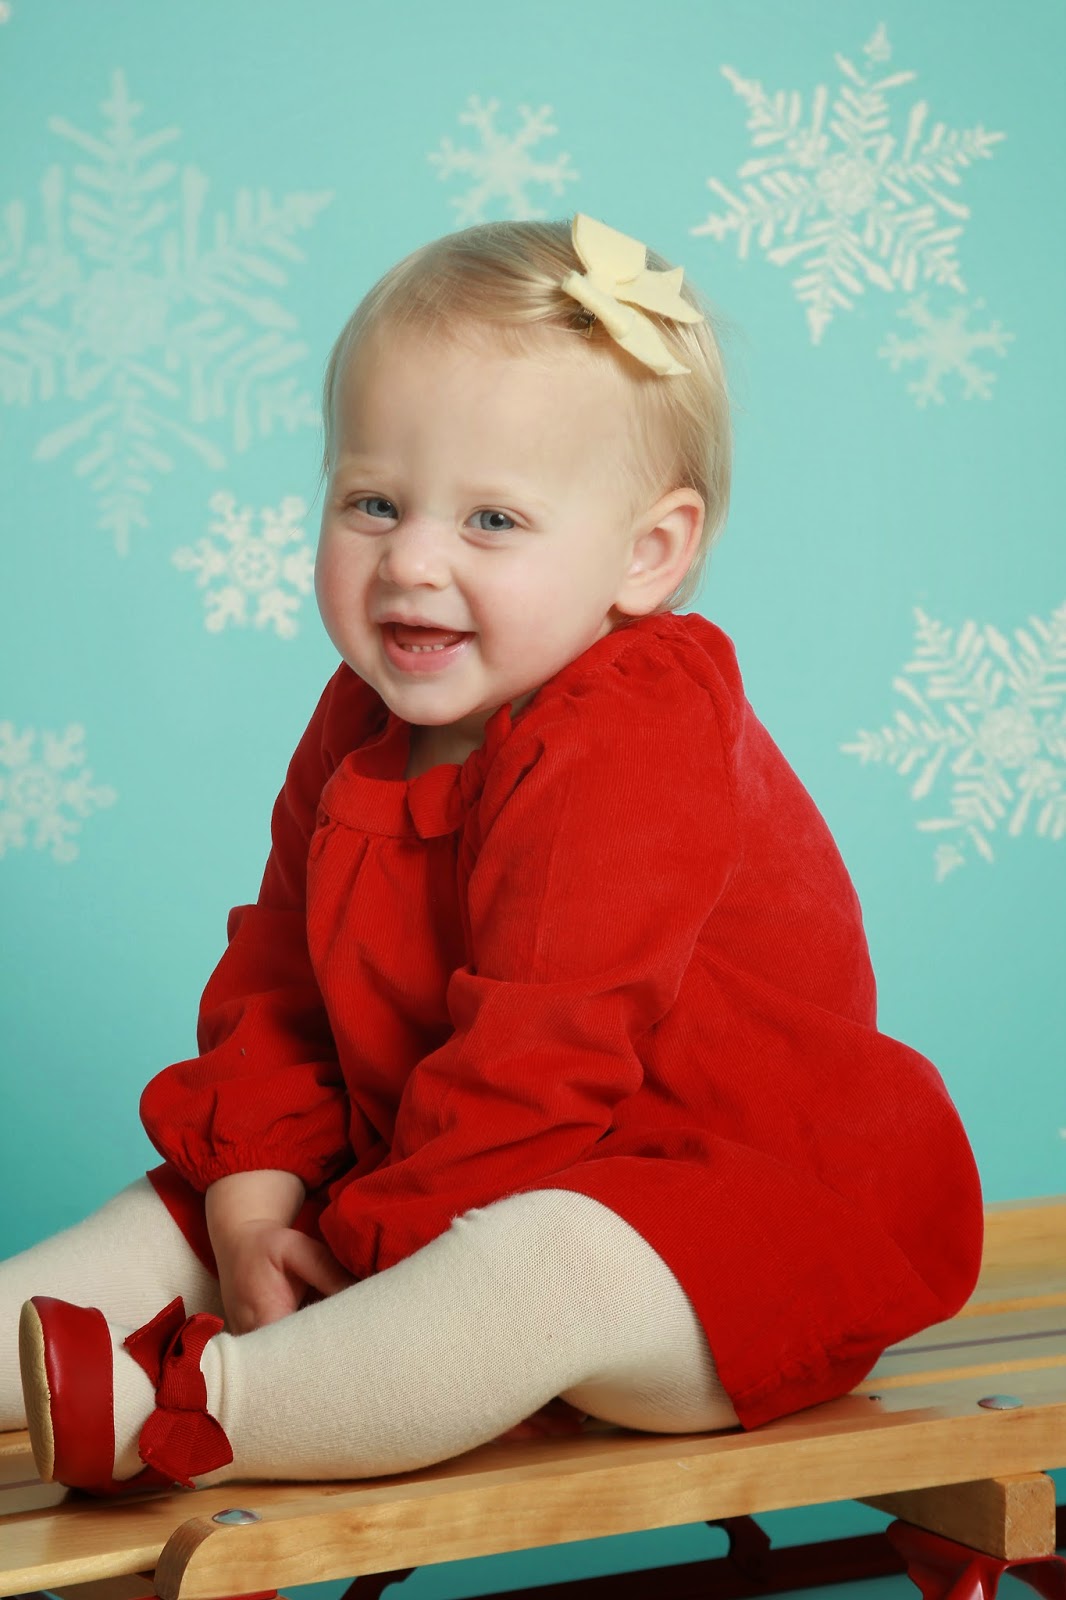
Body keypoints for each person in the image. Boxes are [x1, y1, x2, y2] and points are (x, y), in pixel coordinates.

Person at [4, 213, 983, 1496]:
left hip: (697, 1226)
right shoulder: (361, 720)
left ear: (647, 554)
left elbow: (541, 1055)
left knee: (542, 1263)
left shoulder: (637, 725)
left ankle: (188, 1411)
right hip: (420, 1170)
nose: (411, 560)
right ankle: (53, 1344)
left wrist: (365, 1270)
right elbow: (281, 977)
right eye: (372, 502)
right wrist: (252, 1203)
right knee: (175, 1215)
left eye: (492, 520)